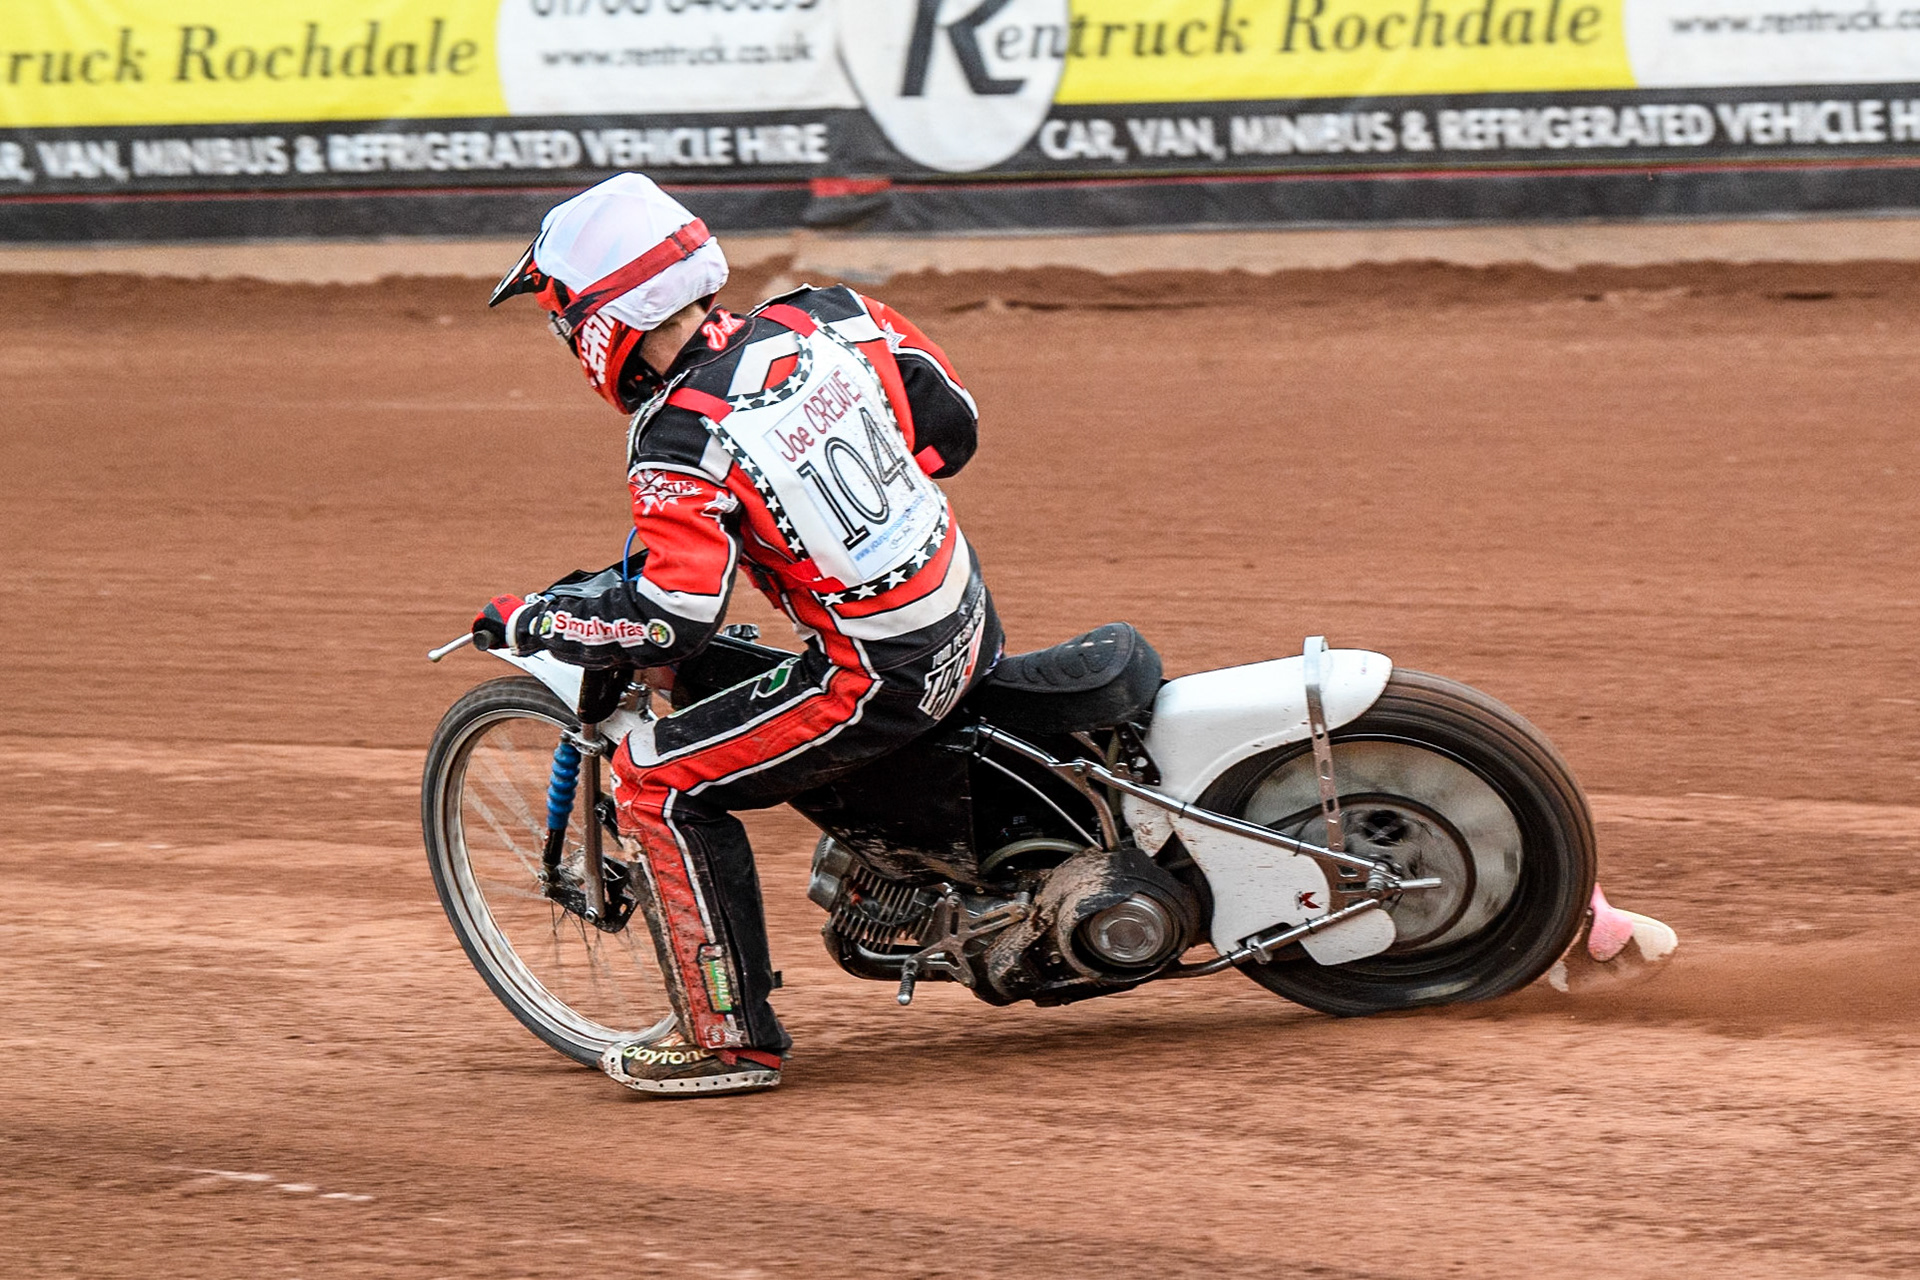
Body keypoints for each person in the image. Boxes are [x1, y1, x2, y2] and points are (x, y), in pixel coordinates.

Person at [476, 173, 1001, 1096]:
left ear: (601, 323)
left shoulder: (676, 439)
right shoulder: (827, 315)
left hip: (876, 674)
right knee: (726, 681)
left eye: (565, 324)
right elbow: (951, 430)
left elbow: (673, 619)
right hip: (965, 610)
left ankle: (729, 1038)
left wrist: (537, 619)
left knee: (653, 780)